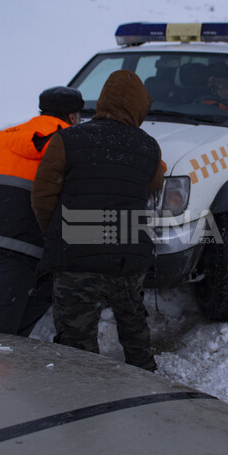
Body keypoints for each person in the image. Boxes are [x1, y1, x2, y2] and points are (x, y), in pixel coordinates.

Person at [31, 70, 165, 371]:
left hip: (77, 254)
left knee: (76, 344)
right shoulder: (148, 146)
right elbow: (154, 183)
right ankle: (147, 391)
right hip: (128, 256)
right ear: (139, 107)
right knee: (134, 330)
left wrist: (57, 235)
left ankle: (82, 399)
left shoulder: (67, 138)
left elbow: (42, 195)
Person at [0, 87, 84, 337]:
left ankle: (13, 349)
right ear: (72, 116)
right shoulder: (66, 141)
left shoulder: (2, 136)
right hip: (15, 244)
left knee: (47, 288)